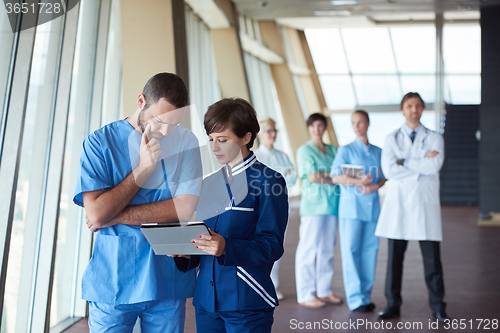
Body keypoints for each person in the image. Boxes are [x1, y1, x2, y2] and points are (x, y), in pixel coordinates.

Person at [74, 73, 202, 332]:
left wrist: (116, 214)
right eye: (160, 121)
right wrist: (142, 170)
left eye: (174, 124)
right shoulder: (99, 144)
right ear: (141, 101)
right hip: (114, 281)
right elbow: (97, 214)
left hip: (166, 279)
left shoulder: (186, 142)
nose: (166, 131)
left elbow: (184, 208)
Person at [174, 98, 289, 333]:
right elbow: (205, 240)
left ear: (246, 138)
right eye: (211, 140)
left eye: (223, 140)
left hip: (247, 300)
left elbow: (272, 246)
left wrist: (226, 246)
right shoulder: (208, 183)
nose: (214, 147)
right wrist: (186, 252)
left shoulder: (269, 182)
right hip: (206, 301)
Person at [375, 92, 449, 322]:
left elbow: (434, 165)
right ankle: (392, 304)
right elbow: (389, 170)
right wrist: (418, 163)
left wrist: (403, 161)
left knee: (432, 261)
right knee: (394, 261)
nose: (413, 109)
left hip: (424, 204)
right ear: (402, 109)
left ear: (422, 109)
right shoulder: (391, 138)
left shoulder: (435, 137)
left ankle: (438, 307)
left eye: (417, 105)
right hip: (399, 205)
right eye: (409, 106)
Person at [330, 110, 386, 312]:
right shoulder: (345, 150)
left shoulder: (378, 151)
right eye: (353, 123)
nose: (356, 126)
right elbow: (335, 177)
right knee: (351, 251)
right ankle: (356, 299)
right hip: (351, 209)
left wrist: (375, 186)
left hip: (371, 208)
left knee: (370, 251)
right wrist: (358, 182)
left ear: (368, 123)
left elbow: (384, 176)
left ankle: (366, 295)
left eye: (360, 122)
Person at [295, 113, 342, 308]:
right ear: (309, 128)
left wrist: (329, 175)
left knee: (327, 249)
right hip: (313, 206)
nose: (317, 129)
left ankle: (324, 290)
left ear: (325, 128)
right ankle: (305, 293)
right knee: (308, 248)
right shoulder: (304, 150)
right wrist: (334, 176)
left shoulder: (333, 149)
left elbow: (342, 172)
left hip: (332, 205)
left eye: (320, 125)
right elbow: (313, 177)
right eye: (313, 126)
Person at [254, 116, 296, 300]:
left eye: (274, 131)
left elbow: (293, 179)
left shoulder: (282, 155)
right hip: (260, 208)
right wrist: (281, 177)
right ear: (260, 134)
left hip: (279, 207)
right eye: (269, 131)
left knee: (276, 246)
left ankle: (272, 285)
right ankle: (258, 284)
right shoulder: (255, 156)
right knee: (257, 246)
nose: (272, 134)